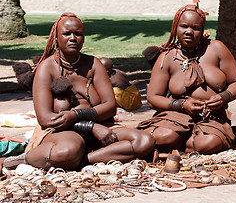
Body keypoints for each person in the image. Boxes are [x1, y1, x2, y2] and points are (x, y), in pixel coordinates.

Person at [3, 13, 154, 170]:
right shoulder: (46, 68)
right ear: (56, 38)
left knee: (144, 141)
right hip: (60, 132)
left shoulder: (94, 64)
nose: (73, 38)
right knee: (69, 150)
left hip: (101, 126)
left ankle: (83, 160)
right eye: (67, 33)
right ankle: (22, 160)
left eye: (78, 34)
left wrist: (77, 116)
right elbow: (45, 119)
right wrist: (90, 126)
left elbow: (110, 106)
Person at [137, 5, 236, 154]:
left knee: (207, 143)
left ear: (202, 30)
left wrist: (223, 97)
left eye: (195, 28)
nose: (189, 31)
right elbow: (152, 98)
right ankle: (179, 140)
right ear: (175, 28)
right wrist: (181, 105)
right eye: (184, 26)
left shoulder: (216, 49)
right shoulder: (167, 57)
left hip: (212, 116)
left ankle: (185, 142)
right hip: (175, 115)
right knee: (163, 137)